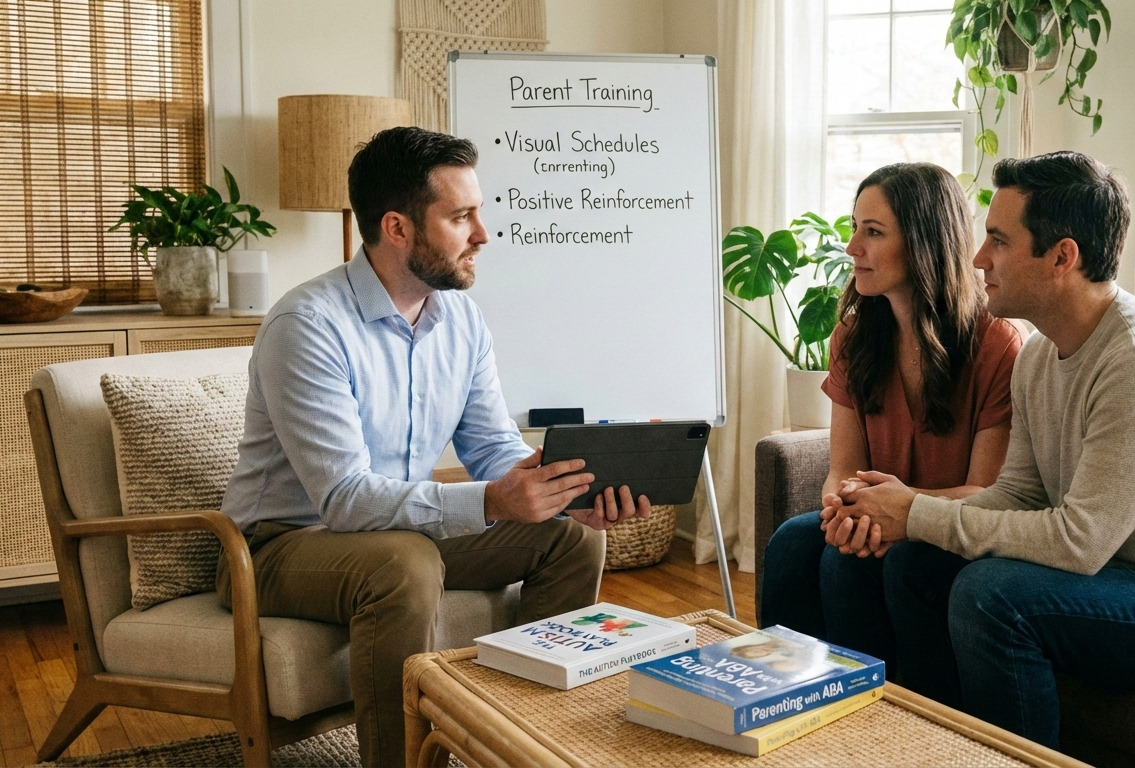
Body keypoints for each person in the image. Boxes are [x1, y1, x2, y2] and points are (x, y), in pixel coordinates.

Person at [824, 151, 1135, 749]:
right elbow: (1020, 494)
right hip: (1125, 574)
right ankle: (927, 750)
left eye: (999, 241)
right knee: (914, 564)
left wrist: (917, 513)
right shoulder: (1040, 355)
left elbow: (1079, 541)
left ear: (1061, 257)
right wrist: (906, 519)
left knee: (991, 595)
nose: (978, 258)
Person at [218, 126, 651, 767]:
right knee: (403, 564)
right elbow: (344, 500)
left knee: (570, 538)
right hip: (276, 548)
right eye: (460, 217)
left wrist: (558, 494)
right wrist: (494, 502)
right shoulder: (307, 325)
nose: (483, 234)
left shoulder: (460, 318)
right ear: (397, 228)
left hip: (400, 532)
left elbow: (492, 446)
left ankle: (516, 744)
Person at [757, 163, 1023, 681]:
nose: (852, 247)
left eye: (873, 232)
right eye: (855, 227)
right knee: (792, 542)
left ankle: (874, 711)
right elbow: (843, 469)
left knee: (849, 563)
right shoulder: (853, 337)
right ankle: (779, 696)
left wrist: (897, 510)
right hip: (880, 521)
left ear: (925, 243)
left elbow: (988, 494)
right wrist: (845, 509)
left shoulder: (997, 344)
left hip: (952, 531)